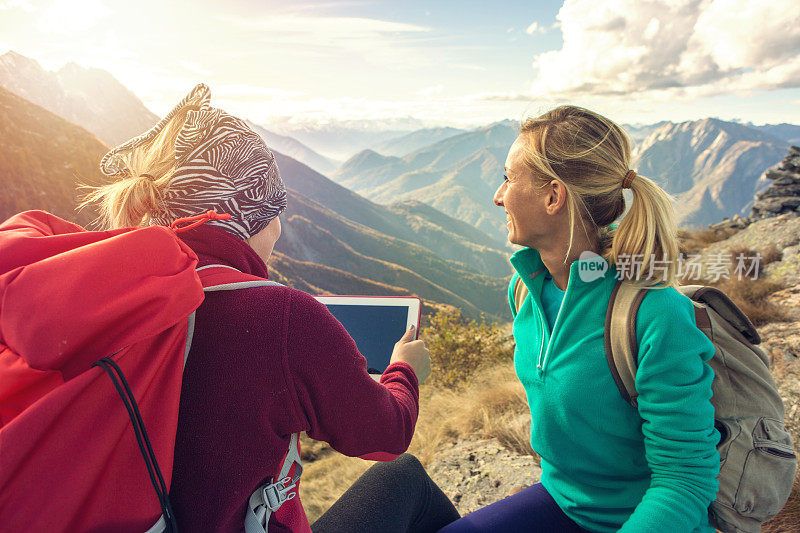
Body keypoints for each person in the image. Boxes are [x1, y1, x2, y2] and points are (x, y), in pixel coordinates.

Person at [84, 83, 458, 533]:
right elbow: (386, 437)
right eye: (274, 208)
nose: (279, 230)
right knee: (404, 478)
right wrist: (404, 369)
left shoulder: (115, 293)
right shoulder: (280, 318)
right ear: (250, 212)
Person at [437, 105, 720, 532]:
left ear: (553, 196)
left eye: (509, 179)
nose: (498, 196)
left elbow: (684, 481)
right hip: (562, 501)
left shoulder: (654, 315)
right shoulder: (525, 289)